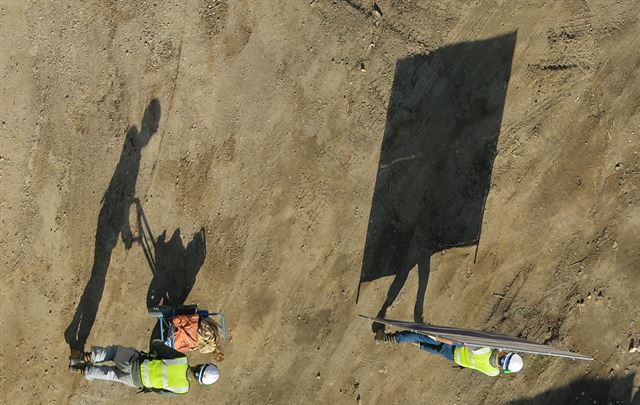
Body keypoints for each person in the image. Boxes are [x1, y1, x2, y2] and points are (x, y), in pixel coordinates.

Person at [69, 339, 219, 395]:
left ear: (201, 365)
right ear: (200, 382)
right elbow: (161, 392)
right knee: (110, 375)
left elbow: (155, 344)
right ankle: (79, 369)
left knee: (113, 353)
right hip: (137, 382)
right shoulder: (183, 389)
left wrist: (159, 347)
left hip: (133, 362)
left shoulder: (182, 360)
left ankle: (81, 357)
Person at [375, 330, 523, 376]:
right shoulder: (494, 372)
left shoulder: (483, 349)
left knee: (424, 336)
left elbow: (460, 343)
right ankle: (419, 345)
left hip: (452, 348)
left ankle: (389, 338)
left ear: (505, 355)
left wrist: (439, 337)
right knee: (435, 350)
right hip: (455, 358)